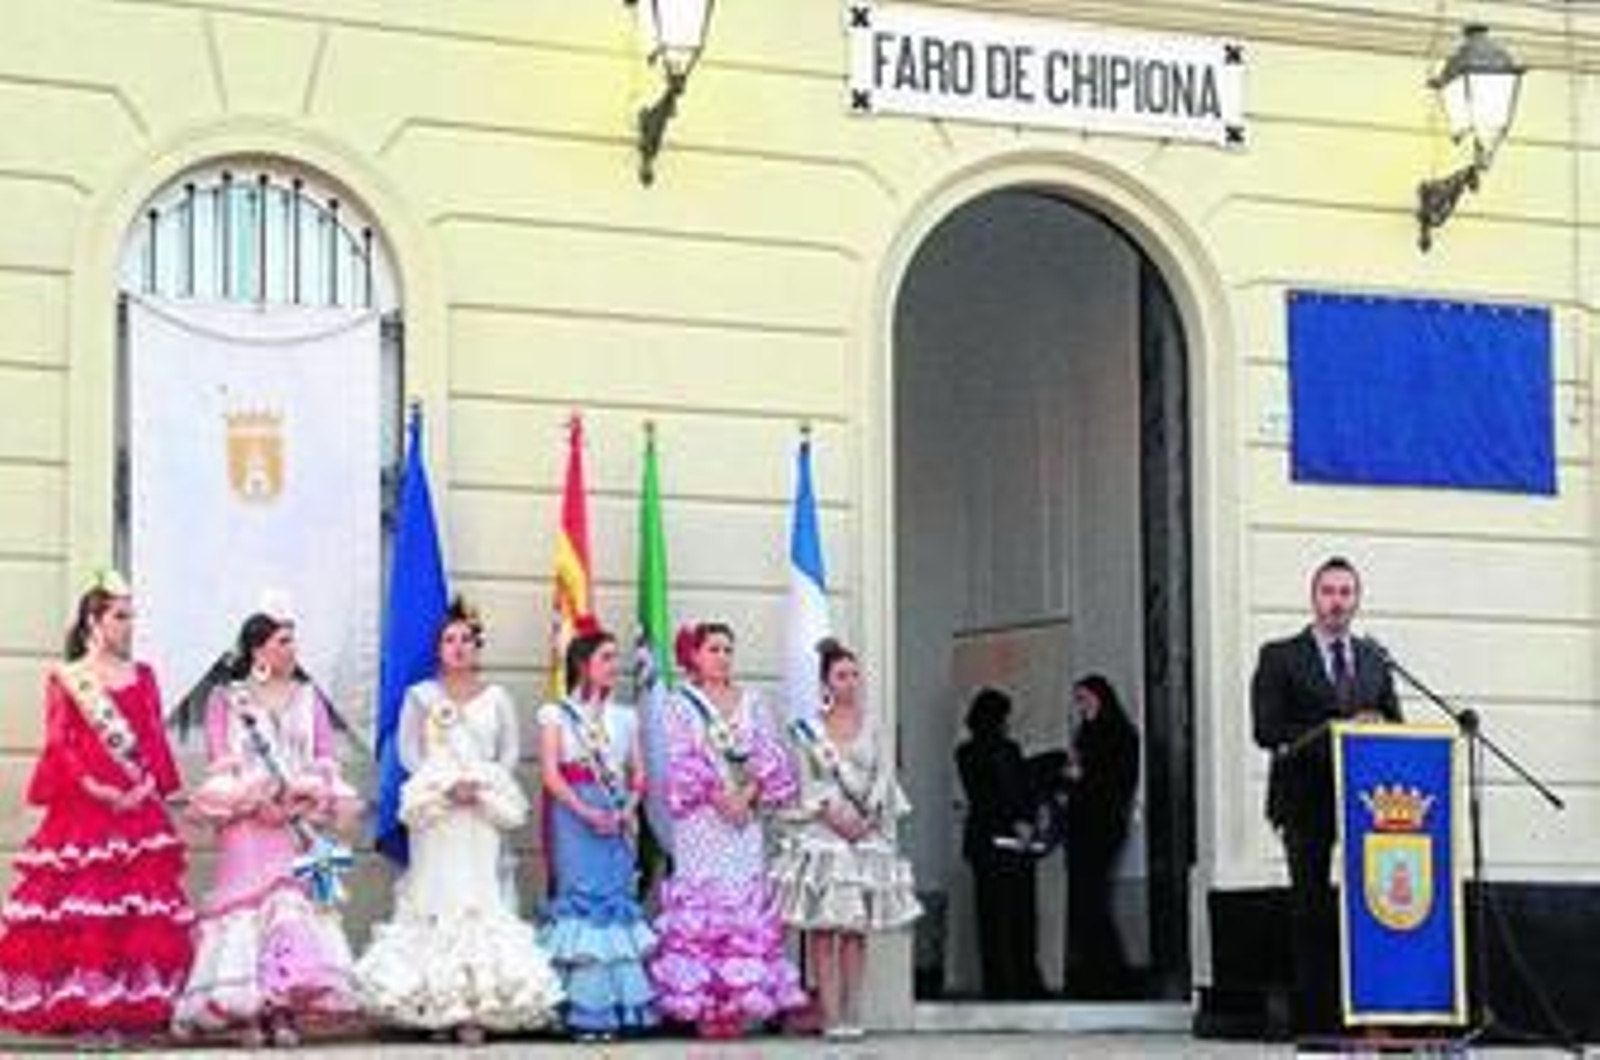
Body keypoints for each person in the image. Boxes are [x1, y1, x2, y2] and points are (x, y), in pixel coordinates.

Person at [0, 572, 195, 1046]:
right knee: (89, 913)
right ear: (94, 621)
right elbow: (59, 741)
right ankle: (90, 1010)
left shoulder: (143, 675)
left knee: (137, 914)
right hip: (85, 809)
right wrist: (97, 788)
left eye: (132, 616)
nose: (129, 625)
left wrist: (148, 783)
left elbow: (151, 736)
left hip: (137, 806)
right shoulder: (68, 677)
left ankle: (132, 1009)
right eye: (120, 616)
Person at [356, 598, 562, 1041]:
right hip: (438, 812)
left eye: (467, 640)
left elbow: (507, 751)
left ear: (477, 646)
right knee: (437, 895)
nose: (459, 647)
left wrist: (483, 783)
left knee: (478, 895)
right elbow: (409, 751)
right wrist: (443, 784)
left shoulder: (496, 697)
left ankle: (475, 1008)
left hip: (480, 811)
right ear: (438, 648)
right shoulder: (421, 696)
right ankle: (433, 1004)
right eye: (450, 640)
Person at [173, 609, 363, 1047]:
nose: (292, 649)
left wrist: (305, 795)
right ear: (258, 650)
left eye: (293, 640)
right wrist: (255, 800)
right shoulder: (228, 698)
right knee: (246, 913)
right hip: (247, 821)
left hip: (294, 823)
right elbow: (221, 759)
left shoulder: (308, 696)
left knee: (291, 908)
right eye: (283, 641)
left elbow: (323, 757)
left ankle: (283, 1010)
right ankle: (247, 1013)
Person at [1250, 556, 1401, 1039]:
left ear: (1357, 600)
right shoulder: (1280, 656)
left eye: (1346, 592)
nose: (1337, 601)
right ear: (1314, 598)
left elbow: (1394, 724)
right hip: (1304, 799)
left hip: (1365, 802)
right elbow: (1266, 730)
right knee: (1310, 907)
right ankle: (1316, 1020)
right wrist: (1334, 729)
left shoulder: (1375, 659)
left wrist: (1380, 726)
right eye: (1328, 591)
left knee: (1368, 905)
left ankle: (1368, 1012)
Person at [647, 622, 806, 1038]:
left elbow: (768, 755)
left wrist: (748, 795)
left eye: (727, 649)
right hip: (702, 819)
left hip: (743, 821)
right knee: (703, 909)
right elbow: (681, 759)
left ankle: (737, 1003)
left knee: (742, 907)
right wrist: (721, 799)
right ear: (695, 656)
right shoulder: (680, 704)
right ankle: (704, 1004)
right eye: (713, 648)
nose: (722, 656)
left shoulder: (752, 702)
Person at [772, 638, 922, 1038]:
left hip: (865, 833)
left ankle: (854, 1014)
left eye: (855, 675)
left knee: (856, 929)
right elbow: (807, 785)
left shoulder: (873, 726)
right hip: (825, 834)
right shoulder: (809, 731)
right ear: (826, 682)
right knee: (824, 929)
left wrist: (869, 815)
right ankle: (830, 1015)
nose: (850, 682)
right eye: (842, 675)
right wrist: (836, 818)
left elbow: (884, 778)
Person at [538, 623, 658, 1038]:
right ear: (582, 664)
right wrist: (585, 812)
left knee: (613, 904)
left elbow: (639, 774)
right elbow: (552, 775)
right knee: (581, 903)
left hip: (617, 818)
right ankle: (577, 1009)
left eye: (615, 658)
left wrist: (627, 809)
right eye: (606, 658)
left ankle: (617, 1008)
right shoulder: (556, 713)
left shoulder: (625, 717)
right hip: (574, 818)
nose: (614, 665)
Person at [954, 686, 1044, 1000]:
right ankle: (1024, 980)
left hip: (984, 841)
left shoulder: (966, 753)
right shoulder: (1005, 750)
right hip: (1010, 840)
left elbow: (987, 795)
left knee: (991, 916)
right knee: (1020, 914)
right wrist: (1023, 822)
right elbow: (1009, 791)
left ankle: (998, 984)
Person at [1061, 673, 1140, 998]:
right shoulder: (1086, 733)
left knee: (1094, 899)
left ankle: (1111, 976)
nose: (1081, 706)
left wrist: (1082, 776)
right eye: (1078, 700)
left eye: (1085, 699)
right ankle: (1093, 973)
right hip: (1080, 825)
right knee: (1084, 900)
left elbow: (1119, 781)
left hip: (1103, 824)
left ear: (1100, 697)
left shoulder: (1120, 733)